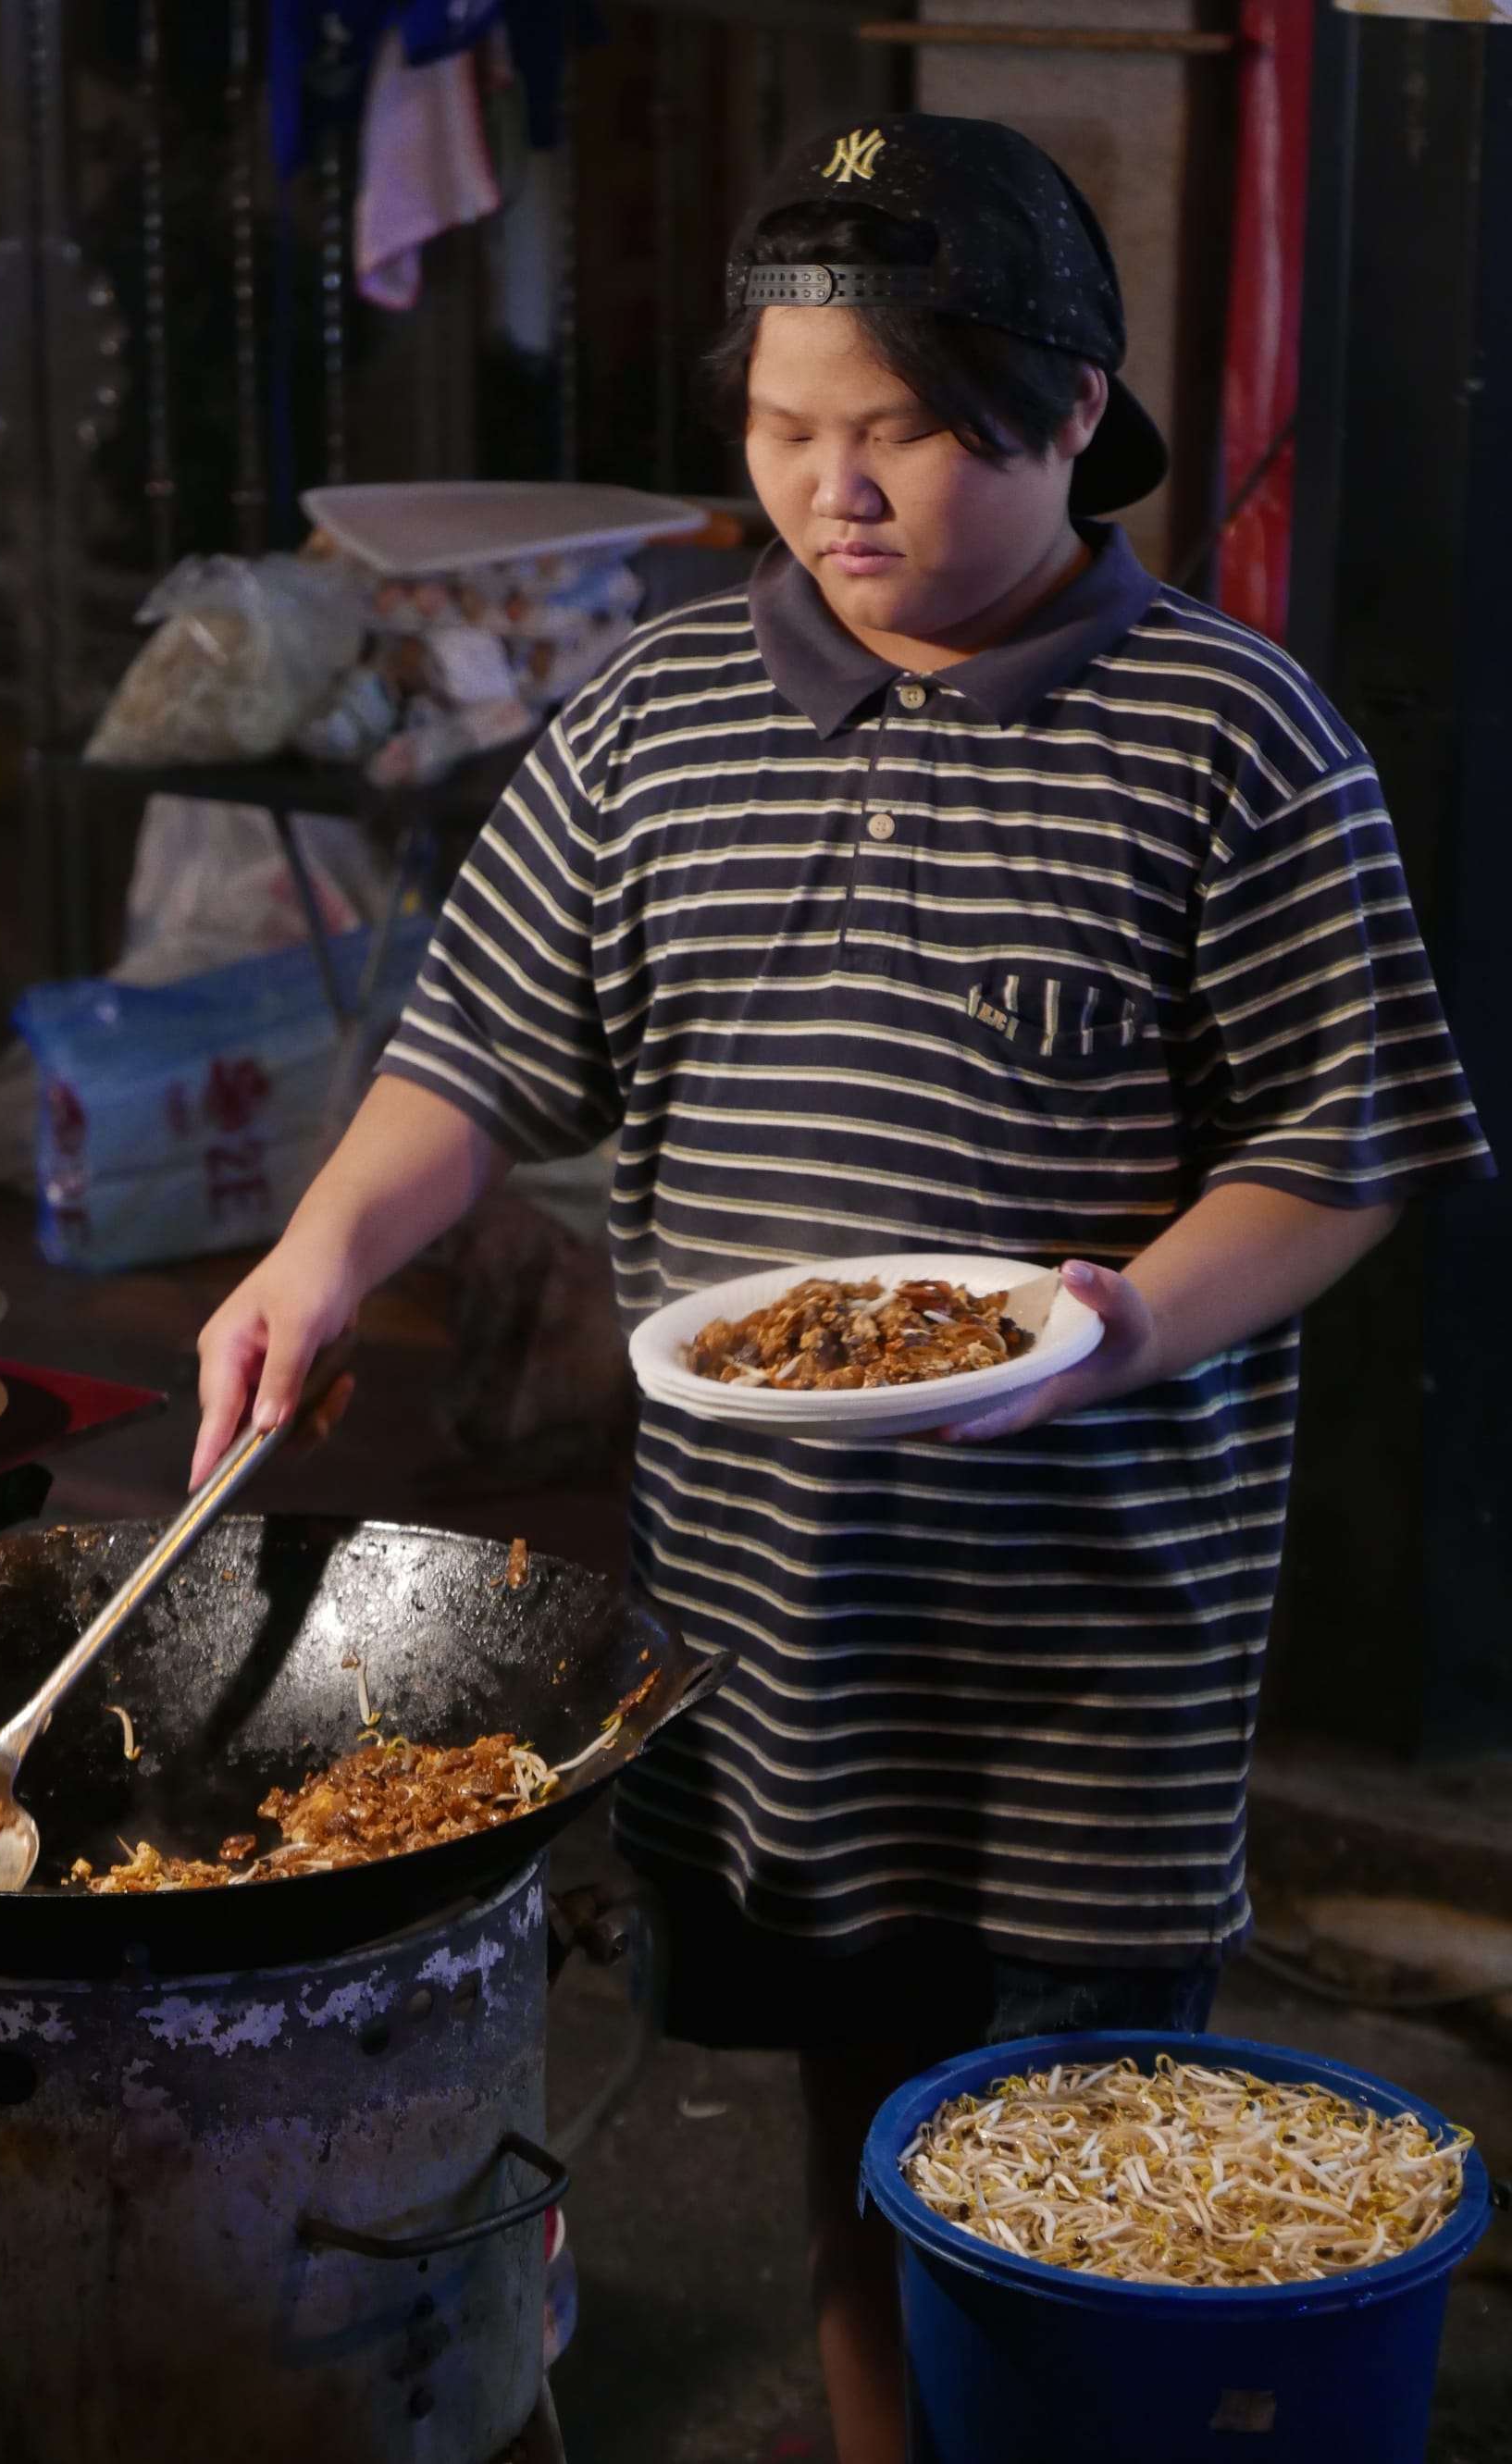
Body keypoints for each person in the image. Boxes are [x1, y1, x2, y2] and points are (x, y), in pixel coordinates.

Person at [192, 115, 1491, 2464]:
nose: (835, 491)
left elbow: (1345, 1149)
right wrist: (317, 1254)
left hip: (1093, 1633)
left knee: (1092, 2160)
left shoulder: (1228, 735)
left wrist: (1119, 1328)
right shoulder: (654, 717)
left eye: (897, 430)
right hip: (780, 1626)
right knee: (852, 2134)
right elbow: (472, 1056)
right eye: (786, 431)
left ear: (1068, 405)